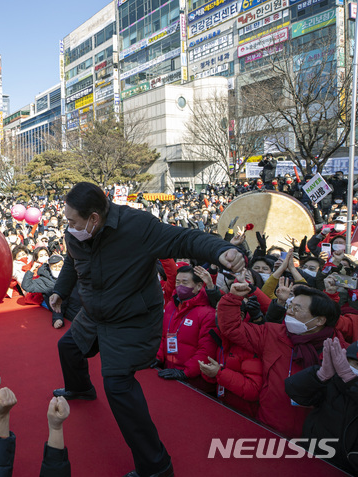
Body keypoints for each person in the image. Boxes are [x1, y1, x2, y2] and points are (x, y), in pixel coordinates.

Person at [49, 182, 244, 477]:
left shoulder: (138, 226)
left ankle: (156, 466)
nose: (68, 225)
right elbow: (71, 261)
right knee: (68, 347)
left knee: (117, 386)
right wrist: (61, 290)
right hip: (95, 311)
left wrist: (222, 250)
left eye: (72, 220)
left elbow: (184, 238)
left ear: (94, 218)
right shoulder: (77, 231)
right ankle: (81, 389)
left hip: (131, 318)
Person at [217, 282, 347, 437]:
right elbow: (232, 329)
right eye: (290, 307)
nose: (289, 313)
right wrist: (233, 299)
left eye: (296, 309)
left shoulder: (342, 352)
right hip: (268, 425)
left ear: (320, 320)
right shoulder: (272, 333)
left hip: (313, 438)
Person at [285, 338, 358, 474]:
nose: (353, 368)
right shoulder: (334, 381)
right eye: (350, 362)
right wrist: (320, 375)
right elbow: (294, 391)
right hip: (314, 457)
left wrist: (350, 381)